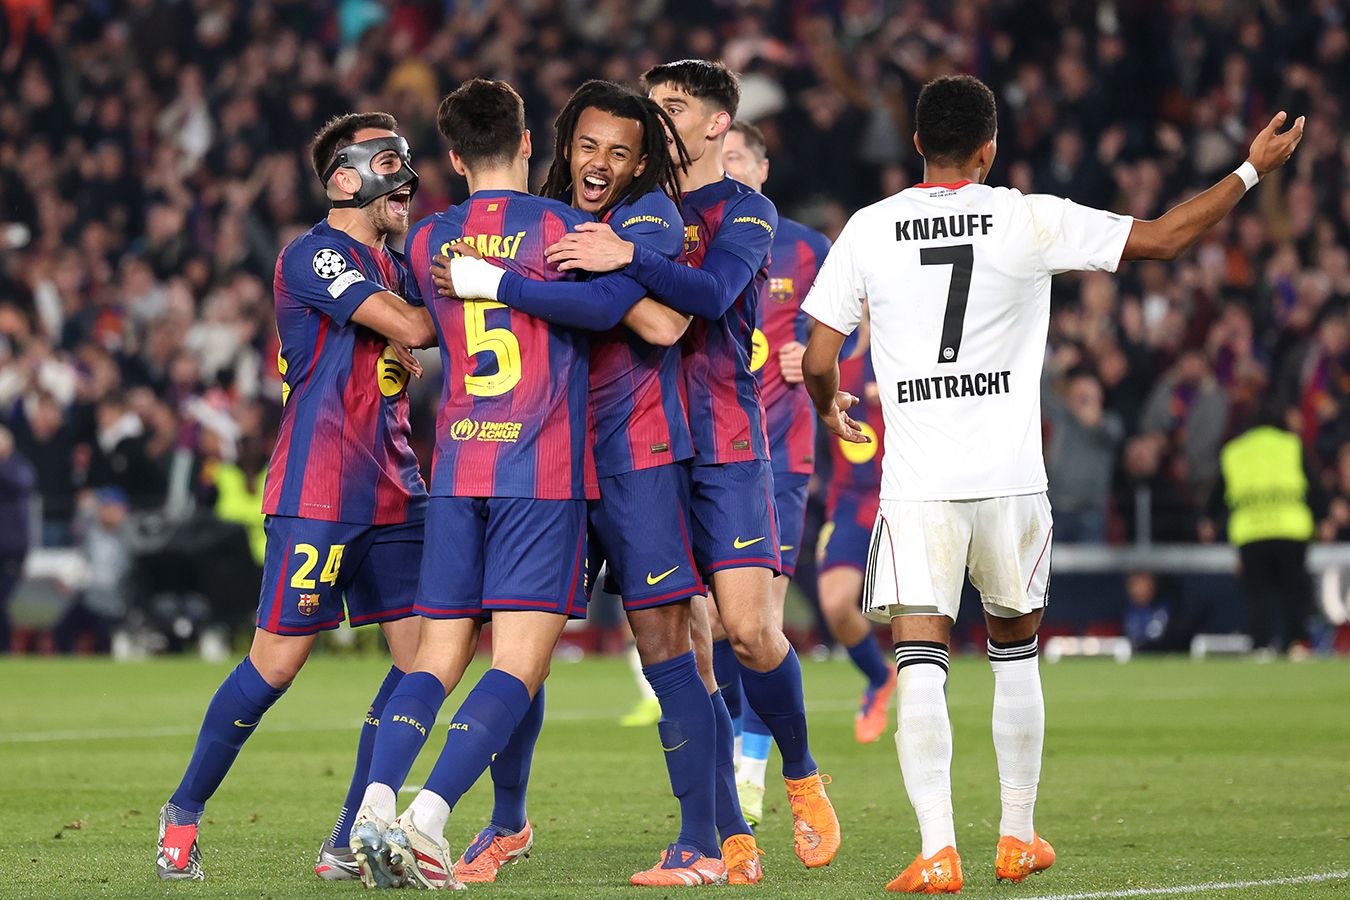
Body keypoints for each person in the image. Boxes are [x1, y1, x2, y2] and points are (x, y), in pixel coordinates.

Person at [800, 74, 1304, 892]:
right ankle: (1017, 837)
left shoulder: (869, 228)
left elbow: (820, 356)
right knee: (1015, 656)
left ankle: (937, 851)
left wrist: (830, 407)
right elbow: (1167, 238)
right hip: (1010, 483)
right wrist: (1251, 170)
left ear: (918, 144)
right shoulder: (1027, 216)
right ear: (990, 148)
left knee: (920, 663)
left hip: (920, 484)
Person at [347, 79, 683, 890]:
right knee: (519, 664)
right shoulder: (565, 228)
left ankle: (373, 808)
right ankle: (428, 822)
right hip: (541, 469)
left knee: (435, 659)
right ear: (530, 143)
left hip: (459, 465)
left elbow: (422, 327)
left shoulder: (429, 240)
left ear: (454, 157)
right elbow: (624, 315)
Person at [435, 80, 739, 886]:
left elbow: (616, 311)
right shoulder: (545, 220)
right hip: (548, 458)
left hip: (636, 454)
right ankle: (505, 824)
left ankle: (704, 843)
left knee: (665, 645)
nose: (600, 162)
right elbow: (640, 316)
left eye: (620, 152)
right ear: (564, 145)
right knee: (522, 645)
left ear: (640, 163)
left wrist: (496, 281)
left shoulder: (649, 217)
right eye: (589, 145)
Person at [546, 59, 841, 871]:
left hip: (729, 442)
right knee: (682, 650)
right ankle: (724, 834)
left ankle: (801, 771)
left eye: (672, 106)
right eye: (653, 104)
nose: (656, 116)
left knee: (750, 630)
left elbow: (709, 296)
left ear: (717, 124)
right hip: (645, 448)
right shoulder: (634, 206)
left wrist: (624, 257)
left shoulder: (747, 211)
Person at [155, 112, 436, 882]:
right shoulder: (313, 255)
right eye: (390, 165)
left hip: (397, 488)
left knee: (425, 662)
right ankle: (183, 811)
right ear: (346, 178)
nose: (408, 181)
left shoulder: (401, 265)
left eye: (407, 164)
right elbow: (413, 325)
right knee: (277, 664)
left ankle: (349, 838)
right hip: (320, 486)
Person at [718, 119, 892, 815]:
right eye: (717, 155)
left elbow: (844, 329)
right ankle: (737, 750)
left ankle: (755, 772)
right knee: (710, 624)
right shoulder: (689, 239)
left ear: (763, 169)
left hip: (780, 461)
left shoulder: (807, 249)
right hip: (707, 454)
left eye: (738, 156)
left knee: (760, 619)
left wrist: (816, 357)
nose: (727, 165)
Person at [812, 320, 896, 743]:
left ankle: (930, 708)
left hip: (906, 493)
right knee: (835, 602)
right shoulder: (832, 360)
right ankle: (880, 677)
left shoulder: (913, 353)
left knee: (919, 612)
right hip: (850, 499)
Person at [1205, 404, 1318, 656]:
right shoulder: (1291, 445)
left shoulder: (1235, 450)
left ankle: (1261, 646)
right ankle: (1298, 645)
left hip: (1251, 532)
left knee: (1259, 594)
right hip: (1290, 530)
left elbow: (1217, 493)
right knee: (1293, 591)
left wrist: (1209, 519)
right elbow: (1313, 486)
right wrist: (1323, 516)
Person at [0, 424, 35, 654]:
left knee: (4, 599)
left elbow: (21, 484)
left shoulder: (19, 466)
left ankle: (4, 647)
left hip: (11, 547)